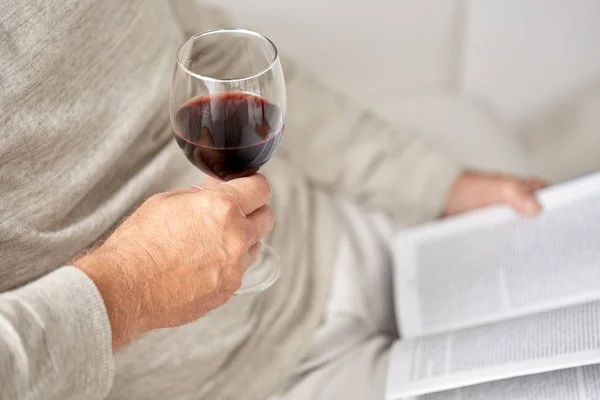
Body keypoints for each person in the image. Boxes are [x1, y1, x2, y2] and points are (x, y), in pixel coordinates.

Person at [0, 1, 546, 399]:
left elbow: (227, 63)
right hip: (236, 382)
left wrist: (437, 184)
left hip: (343, 244)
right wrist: (130, 287)